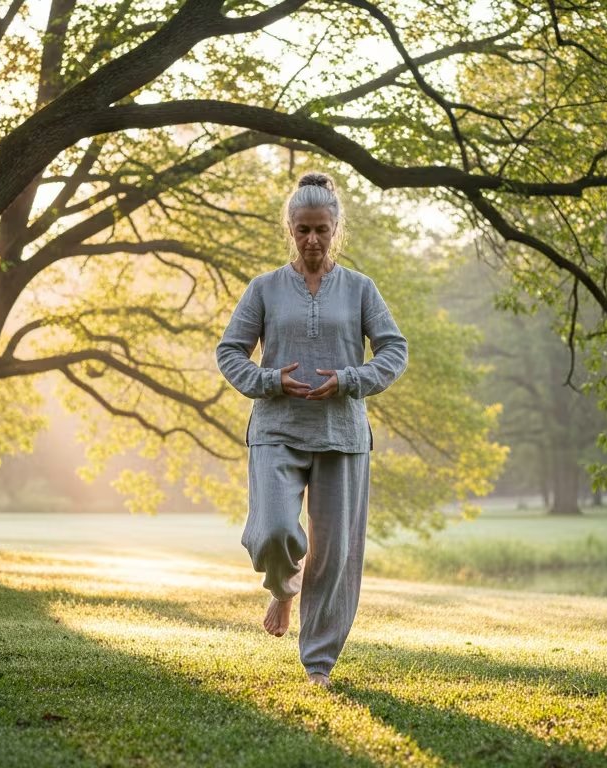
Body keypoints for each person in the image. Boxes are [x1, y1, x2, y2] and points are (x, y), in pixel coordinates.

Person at [215, 172, 408, 687]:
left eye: (322, 229)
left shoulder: (361, 289)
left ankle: (318, 665)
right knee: (273, 530)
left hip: (342, 435)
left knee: (336, 555)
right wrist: (267, 380)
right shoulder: (265, 289)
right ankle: (282, 585)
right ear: (290, 230)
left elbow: (394, 349)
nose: (312, 240)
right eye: (303, 230)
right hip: (277, 427)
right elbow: (229, 351)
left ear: (336, 229)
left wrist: (350, 380)